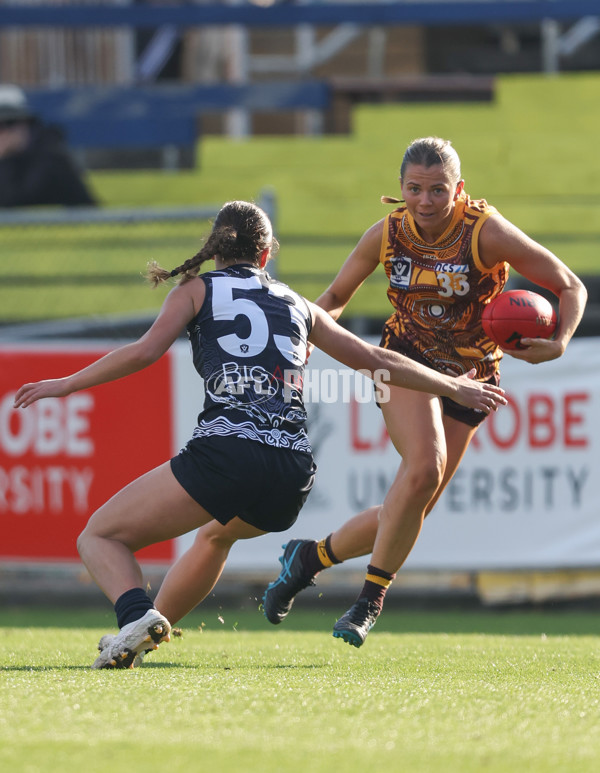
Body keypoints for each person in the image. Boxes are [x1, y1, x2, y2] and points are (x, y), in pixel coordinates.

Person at [13, 199, 506, 669]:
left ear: (214, 248)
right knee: (214, 537)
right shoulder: (297, 302)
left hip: (227, 452)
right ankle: (140, 637)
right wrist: (451, 386)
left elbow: (144, 352)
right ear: (266, 255)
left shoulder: (194, 291)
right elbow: (378, 361)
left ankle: (134, 617)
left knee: (100, 536)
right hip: (291, 474)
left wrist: (66, 384)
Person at [262, 136, 588, 648]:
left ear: (459, 190)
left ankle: (309, 558)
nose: (426, 201)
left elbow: (570, 284)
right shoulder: (386, 234)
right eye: (415, 189)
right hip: (406, 361)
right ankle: (369, 600)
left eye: (438, 190)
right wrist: (299, 341)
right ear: (401, 189)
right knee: (424, 470)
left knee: (415, 501)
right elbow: (333, 299)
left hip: (473, 374)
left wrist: (560, 343)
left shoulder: (485, 232)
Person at [0, 84, 96, 208]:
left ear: (26, 124)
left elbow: (14, 201)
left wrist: (4, 159)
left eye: (10, 123)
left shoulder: (51, 159)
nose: (5, 133)